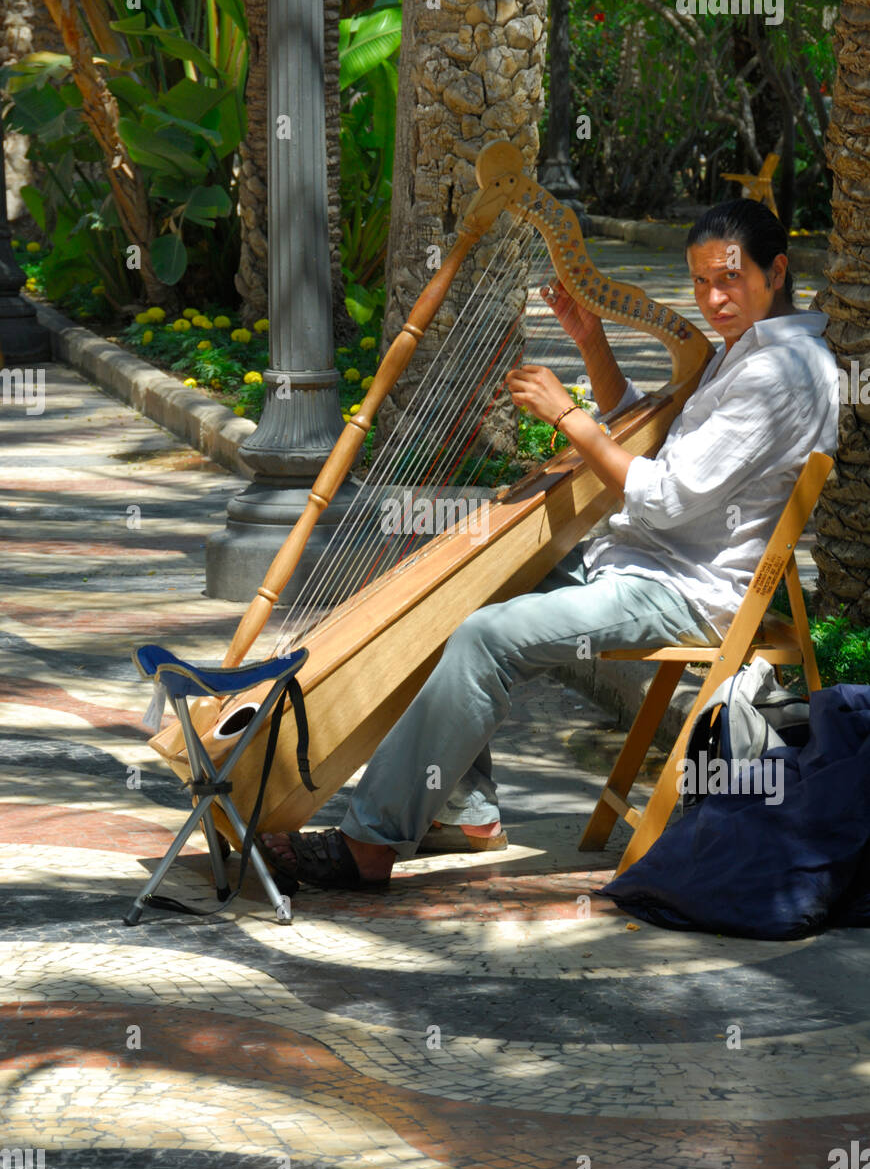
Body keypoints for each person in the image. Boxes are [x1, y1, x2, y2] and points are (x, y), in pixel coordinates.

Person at [258, 199, 839, 893]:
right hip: (635, 562)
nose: (713, 299)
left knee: (485, 636)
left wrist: (566, 416)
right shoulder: (748, 352)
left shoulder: (783, 374)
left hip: (682, 589)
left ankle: (368, 846)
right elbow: (642, 434)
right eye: (700, 282)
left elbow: (665, 494)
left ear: (776, 272)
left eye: (729, 279)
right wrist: (591, 343)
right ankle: (467, 808)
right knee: (464, 589)